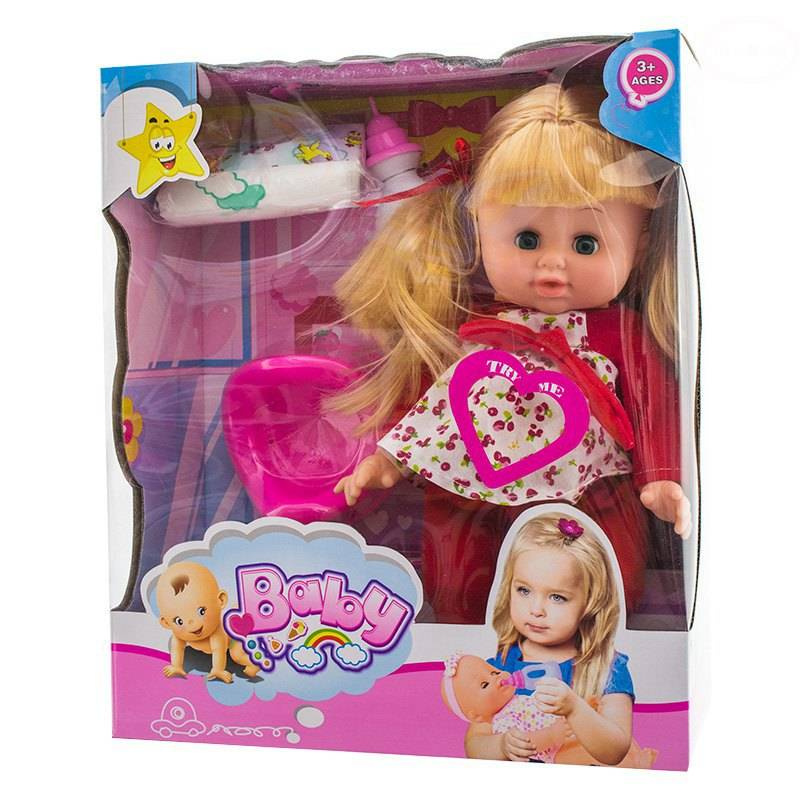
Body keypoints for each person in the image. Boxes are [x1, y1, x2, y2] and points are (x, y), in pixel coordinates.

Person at [332, 84, 688, 617]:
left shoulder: (620, 333)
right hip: (468, 484)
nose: (552, 264)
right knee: (459, 580)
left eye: (586, 244)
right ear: (479, 230)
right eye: (526, 239)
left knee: (601, 574)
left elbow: (653, 402)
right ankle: (464, 632)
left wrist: (660, 474)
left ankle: (586, 632)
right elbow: (427, 396)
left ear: (638, 247)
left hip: (585, 487)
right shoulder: (470, 327)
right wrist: (389, 459)